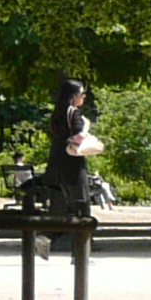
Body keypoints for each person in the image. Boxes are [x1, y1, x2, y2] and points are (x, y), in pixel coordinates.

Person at [44, 79, 95, 214]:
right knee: (80, 200)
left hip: (56, 162)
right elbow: (79, 136)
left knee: (62, 201)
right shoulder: (74, 112)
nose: (84, 96)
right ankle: (81, 232)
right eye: (82, 93)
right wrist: (86, 126)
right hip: (72, 163)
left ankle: (61, 232)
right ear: (74, 95)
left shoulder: (58, 113)